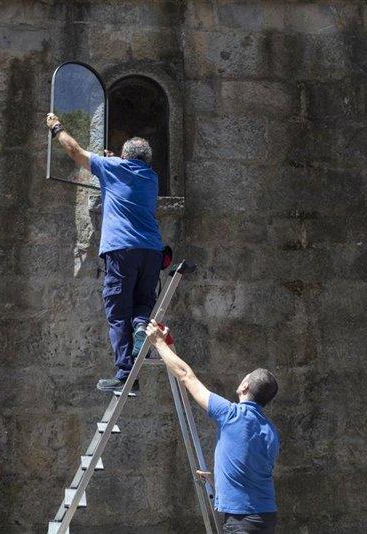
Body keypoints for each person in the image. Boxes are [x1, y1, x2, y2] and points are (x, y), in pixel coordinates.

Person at [46, 112, 163, 393]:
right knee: (142, 303)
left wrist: (56, 127)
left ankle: (125, 374)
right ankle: (140, 331)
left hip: (122, 250)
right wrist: (114, 161)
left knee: (117, 310)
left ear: (124, 157)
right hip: (152, 251)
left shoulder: (113, 168)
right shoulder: (151, 177)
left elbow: (74, 150)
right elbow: (126, 174)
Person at [145, 320, 280, 533]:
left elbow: (186, 376)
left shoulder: (231, 414)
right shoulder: (271, 431)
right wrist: (219, 480)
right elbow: (253, 471)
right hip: (266, 516)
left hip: (241, 520)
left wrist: (159, 343)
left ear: (245, 386)